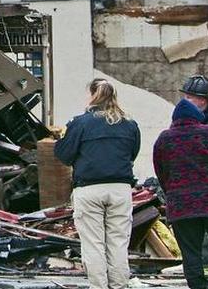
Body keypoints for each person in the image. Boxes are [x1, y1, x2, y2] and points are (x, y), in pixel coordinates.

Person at [54, 79, 141, 289]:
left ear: (92, 95)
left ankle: (99, 287)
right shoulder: (130, 124)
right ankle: (119, 285)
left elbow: (64, 154)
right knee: (118, 243)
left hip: (89, 189)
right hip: (120, 188)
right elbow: (133, 153)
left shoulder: (80, 123)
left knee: (93, 244)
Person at [154, 98, 208, 289]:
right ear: (197, 118)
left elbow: (161, 173)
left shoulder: (164, 139)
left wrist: (173, 194)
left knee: (190, 252)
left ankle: (198, 286)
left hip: (182, 207)